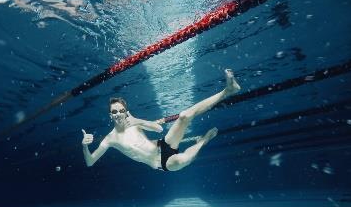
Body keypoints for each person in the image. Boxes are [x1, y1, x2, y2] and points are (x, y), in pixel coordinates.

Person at [81, 69, 241, 171]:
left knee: (184, 115)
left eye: (121, 111)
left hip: (165, 144)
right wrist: (84, 146)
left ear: (125, 112)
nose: (118, 114)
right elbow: (90, 162)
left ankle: (227, 91)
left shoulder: (134, 123)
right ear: (110, 115)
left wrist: (138, 121)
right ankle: (203, 141)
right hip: (160, 162)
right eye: (114, 112)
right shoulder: (110, 139)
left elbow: (158, 130)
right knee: (181, 160)